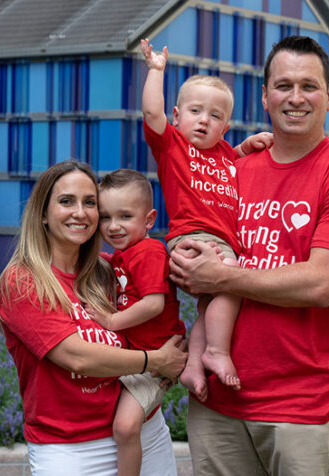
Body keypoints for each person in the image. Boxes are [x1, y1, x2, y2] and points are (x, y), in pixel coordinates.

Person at [169, 36, 329, 476]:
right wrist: (180, 257)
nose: (295, 97)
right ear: (265, 96)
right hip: (218, 404)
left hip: (302, 406)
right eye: (283, 85)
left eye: (309, 85)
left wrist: (221, 276)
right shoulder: (233, 170)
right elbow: (191, 228)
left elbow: (320, 285)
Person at [0, 161, 187, 476]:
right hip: (73, 451)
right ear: (43, 212)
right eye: (67, 201)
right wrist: (157, 360)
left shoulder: (110, 271)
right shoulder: (24, 282)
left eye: (90, 202)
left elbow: (161, 309)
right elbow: (77, 357)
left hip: (143, 433)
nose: (80, 212)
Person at [139, 38, 272, 400]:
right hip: (195, 239)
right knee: (235, 286)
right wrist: (155, 71)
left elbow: (235, 159)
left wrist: (248, 146)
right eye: (196, 111)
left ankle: (195, 363)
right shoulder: (173, 147)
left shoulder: (226, 154)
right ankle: (217, 351)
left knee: (209, 306)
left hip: (221, 244)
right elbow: (153, 114)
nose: (204, 121)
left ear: (225, 129)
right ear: (178, 117)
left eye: (215, 116)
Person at [84, 169, 185, 476]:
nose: (113, 226)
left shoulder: (150, 252)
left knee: (126, 427)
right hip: (136, 359)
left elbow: (154, 303)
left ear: (149, 219)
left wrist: (112, 321)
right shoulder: (122, 256)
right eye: (105, 217)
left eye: (125, 216)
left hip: (155, 359)